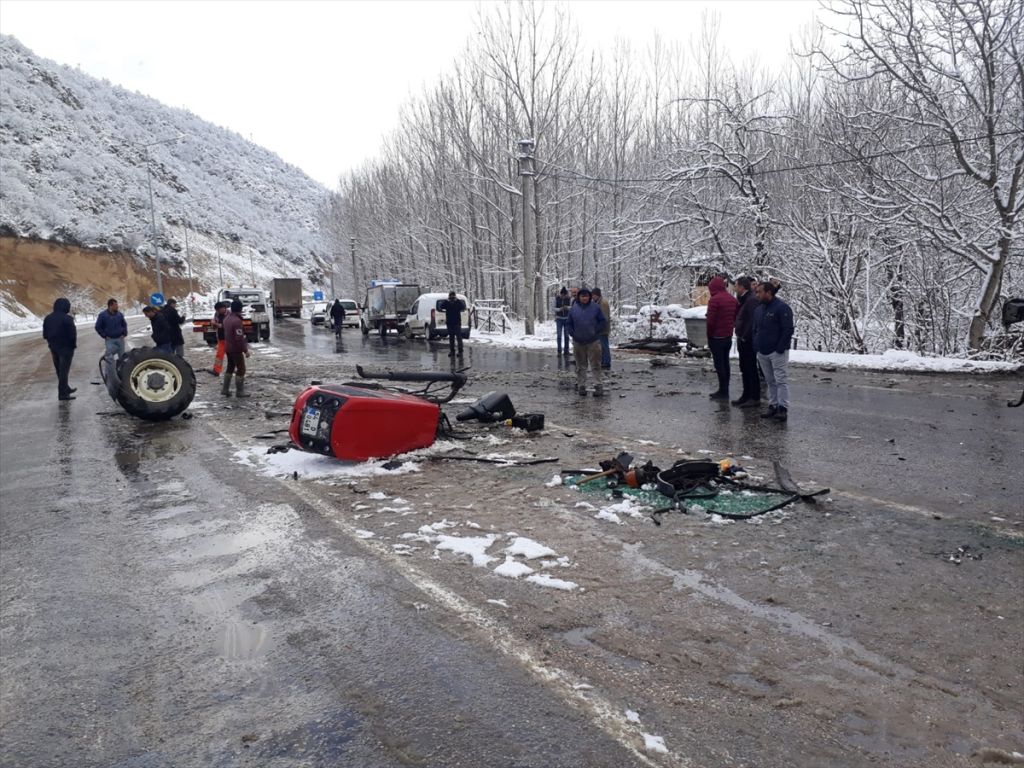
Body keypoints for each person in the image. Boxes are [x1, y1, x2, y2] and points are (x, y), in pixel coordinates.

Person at [753, 278, 794, 421]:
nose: (756, 295)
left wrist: (780, 348)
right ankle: (773, 405)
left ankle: (782, 408)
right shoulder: (759, 310)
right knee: (770, 380)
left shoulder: (782, 308)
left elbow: (788, 329)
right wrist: (756, 345)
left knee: (780, 379)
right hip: (762, 351)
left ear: (768, 292)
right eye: (756, 292)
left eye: (759, 292)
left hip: (777, 352)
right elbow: (756, 329)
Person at [565, 287, 606, 396]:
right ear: (579, 297)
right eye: (582, 296)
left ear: (590, 297)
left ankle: (598, 385)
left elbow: (602, 321)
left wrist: (595, 331)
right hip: (578, 342)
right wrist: (572, 333)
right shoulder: (574, 308)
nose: (584, 298)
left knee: (595, 364)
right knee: (580, 365)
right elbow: (569, 323)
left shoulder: (596, 308)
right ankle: (581, 386)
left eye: (586, 296)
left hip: (593, 341)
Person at [704, 275, 738, 400]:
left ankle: (722, 391)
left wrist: (709, 335)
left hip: (716, 337)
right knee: (726, 363)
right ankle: (725, 389)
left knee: (719, 364)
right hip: (727, 336)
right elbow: (735, 317)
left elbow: (711, 321)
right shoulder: (732, 299)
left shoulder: (714, 300)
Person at [731, 276, 760, 407]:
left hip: (747, 340)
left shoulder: (751, 300)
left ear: (742, 287)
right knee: (744, 367)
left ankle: (754, 396)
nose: (734, 288)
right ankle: (746, 394)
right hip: (743, 338)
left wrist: (744, 336)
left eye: (736, 286)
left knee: (750, 368)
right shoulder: (745, 299)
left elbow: (752, 321)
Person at [42, 297, 77, 401]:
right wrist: (72, 346)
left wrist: (52, 343)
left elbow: (45, 335)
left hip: (53, 348)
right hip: (66, 349)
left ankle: (66, 388)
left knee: (60, 371)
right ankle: (62, 394)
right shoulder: (68, 319)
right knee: (64, 372)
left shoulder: (48, 318)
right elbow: (72, 335)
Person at [222, 299, 251, 397]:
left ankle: (225, 389)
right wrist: (245, 350)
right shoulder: (237, 321)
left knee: (230, 367)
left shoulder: (226, 319)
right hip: (235, 349)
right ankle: (240, 391)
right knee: (241, 369)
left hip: (228, 347)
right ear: (240, 309)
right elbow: (239, 338)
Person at [94, 298, 128, 369]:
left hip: (120, 339)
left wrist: (124, 334)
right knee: (109, 357)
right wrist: (104, 336)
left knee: (122, 357)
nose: (117, 306)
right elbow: (98, 327)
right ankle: (109, 374)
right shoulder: (102, 315)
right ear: (110, 306)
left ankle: (122, 372)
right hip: (110, 340)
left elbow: (124, 324)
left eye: (117, 304)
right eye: (115, 305)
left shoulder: (119, 314)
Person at [438, 291, 467, 357]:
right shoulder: (447, 303)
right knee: (451, 338)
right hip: (450, 323)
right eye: (451, 296)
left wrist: (457, 300)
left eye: (452, 296)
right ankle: (452, 351)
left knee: (458, 337)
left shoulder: (457, 302)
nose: (451, 298)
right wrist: (446, 301)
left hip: (456, 322)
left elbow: (463, 307)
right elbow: (441, 306)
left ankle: (460, 351)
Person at [591, 287, 613, 370]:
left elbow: (604, 318)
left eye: (593, 295)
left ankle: (606, 362)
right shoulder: (598, 302)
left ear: (597, 295)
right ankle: (604, 361)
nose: (592, 297)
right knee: (602, 346)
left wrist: (598, 327)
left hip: (603, 329)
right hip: (600, 328)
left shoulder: (603, 303)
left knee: (604, 346)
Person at [210, 301, 229, 376]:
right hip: (221, 338)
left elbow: (226, 326)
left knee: (232, 355)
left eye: (219, 310)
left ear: (223, 308)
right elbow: (215, 327)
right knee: (219, 355)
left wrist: (217, 324)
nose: (218, 311)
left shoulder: (229, 314)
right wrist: (213, 324)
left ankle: (235, 369)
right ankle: (216, 370)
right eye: (216, 310)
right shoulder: (217, 314)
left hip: (229, 338)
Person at [554, 287, 571, 356]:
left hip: (567, 318)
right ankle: (559, 351)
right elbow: (554, 308)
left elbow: (572, 307)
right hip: (559, 319)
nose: (563, 296)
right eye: (562, 295)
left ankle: (566, 350)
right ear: (560, 294)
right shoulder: (557, 299)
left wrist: (567, 307)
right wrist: (559, 309)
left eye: (564, 295)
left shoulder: (569, 299)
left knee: (567, 335)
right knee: (559, 335)